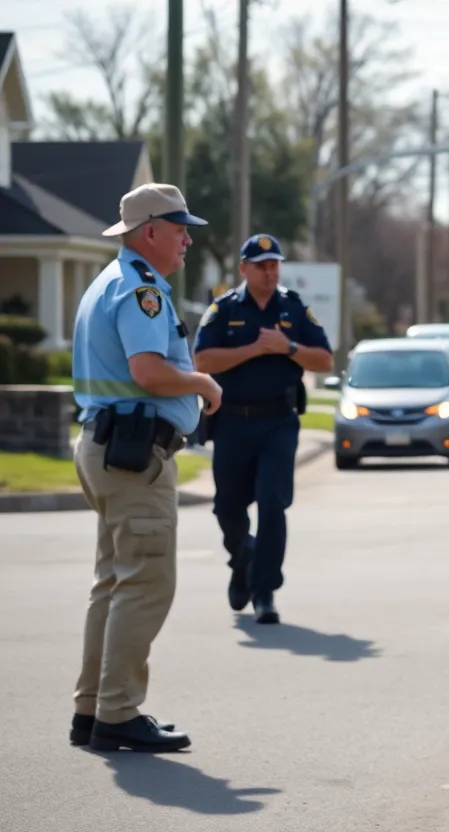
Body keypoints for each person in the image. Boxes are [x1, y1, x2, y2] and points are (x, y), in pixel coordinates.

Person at [70, 183, 221, 753]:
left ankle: (93, 710)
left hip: (108, 449)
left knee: (114, 583)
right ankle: (117, 714)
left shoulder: (109, 282)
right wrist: (203, 383)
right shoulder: (142, 291)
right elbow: (149, 372)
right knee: (146, 583)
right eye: (179, 227)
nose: (187, 238)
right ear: (148, 231)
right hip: (133, 454)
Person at [193, 234, 334, 625]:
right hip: (233, 422)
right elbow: (202, 359)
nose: (270, 272)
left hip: (278, 423)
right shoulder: (222, 310)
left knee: (273, 503)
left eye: (275, 264)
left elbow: (324, 359)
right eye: (262, 265)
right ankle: (244, 558)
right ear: (244, 269)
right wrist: (254, 349)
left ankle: (264, 592)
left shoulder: (293, 309)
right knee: (227, 508)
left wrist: (287, 347)